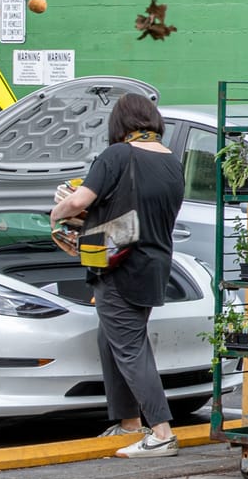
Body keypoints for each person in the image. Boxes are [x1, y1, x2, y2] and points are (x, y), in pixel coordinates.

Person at [49, 93, 188, 458]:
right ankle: (128, 422)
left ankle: (161, 432)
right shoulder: (173, 162)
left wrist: (57, 211)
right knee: (111, 340)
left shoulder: (117, 155)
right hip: (154, 264)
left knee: (129, 348)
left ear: (120, 124)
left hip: (119, 265)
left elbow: (79, 202)